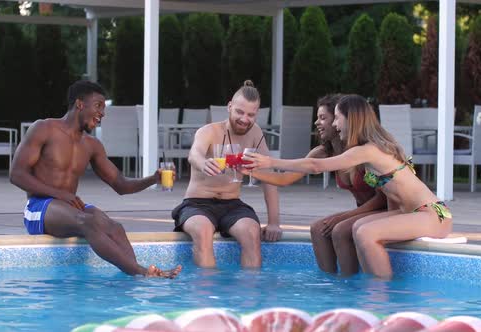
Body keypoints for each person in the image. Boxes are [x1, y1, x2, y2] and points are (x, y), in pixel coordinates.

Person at [244, 94, 452, 279]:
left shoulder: (368, 150)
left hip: (435, 214)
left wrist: (270, 162)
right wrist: (251, 171)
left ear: (350, 119)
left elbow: (315, 166)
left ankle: (384, 296)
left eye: (337, 118)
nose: (335, 125)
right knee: (356, 228)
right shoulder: (364, 149)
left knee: (366, 232)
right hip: (411, 213)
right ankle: (357, 285)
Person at [10, 80, 182, 278]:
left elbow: (121, 185)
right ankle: (141, 272)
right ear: (80, 104)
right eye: (98, 106)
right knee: (88, 222)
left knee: (115, 228)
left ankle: (136, 279)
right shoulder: (44, 129)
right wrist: (59, 194)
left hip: (69, 207)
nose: (102, 113)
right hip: (39, 207)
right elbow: (17, 174)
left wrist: (153, 179)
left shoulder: (92, 145)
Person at [240, 94, 387, 275]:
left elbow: (383, 198)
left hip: (382, 209)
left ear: (339, 119)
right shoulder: (323, 152)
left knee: (339, 230)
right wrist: (250, 172)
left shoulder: (362, 151)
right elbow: (285, 179)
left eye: (323, 118)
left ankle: (348, 284)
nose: (317, 123)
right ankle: (329, 282)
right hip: (362, 211)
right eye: (317, 118)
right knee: (317, 229)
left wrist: (346, 216)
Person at [172, 80, 282, 268]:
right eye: (240, 112)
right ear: (229, 107)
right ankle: (208, 293)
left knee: (251, 232)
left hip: (232, 204)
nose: (244, 119)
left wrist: (274, 222)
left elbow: (269, 176)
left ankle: (250, 293)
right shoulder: (209, 131)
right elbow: (194, 154)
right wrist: (203, 163)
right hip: (198, 203)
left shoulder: (255, 134)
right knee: (203, 230)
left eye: (251, 114)